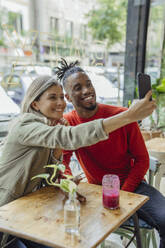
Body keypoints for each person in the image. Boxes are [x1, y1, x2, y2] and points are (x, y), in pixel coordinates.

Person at [0, 75, 155, 248]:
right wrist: (129, 115)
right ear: (35, 104)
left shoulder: (51, 127)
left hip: (28, 208)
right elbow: (71, 137)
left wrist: (65, 183)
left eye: (60, 97)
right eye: (52, 97)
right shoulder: (26, 125)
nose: (60, 103)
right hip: (7, 213)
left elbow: (51, 175)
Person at [56, 58, 165, 248]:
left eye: (88, 84)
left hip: (133, 187)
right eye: (78, 88)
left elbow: (142, 160)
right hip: (94, 191)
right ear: (67, 97)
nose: (86, 90)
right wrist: (69, 182)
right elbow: (62, 161)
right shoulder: (68, 123)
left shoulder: (124, 115)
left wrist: (123, 192)